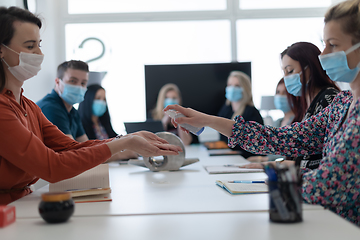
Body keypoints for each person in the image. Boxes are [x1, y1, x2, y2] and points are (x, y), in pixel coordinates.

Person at [165, 0, 360, 225]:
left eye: (333, 45)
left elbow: (331, 185)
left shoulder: (336, 102)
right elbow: (285, 139)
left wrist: (274, 175)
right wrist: (207, 119)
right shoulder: (342, 104)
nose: (323, 53)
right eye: (323, 44)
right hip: (329, 221)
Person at [0, 6, 181, 205]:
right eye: (30, 46)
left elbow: (70, 148)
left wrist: (128, 138)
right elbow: (52, 166)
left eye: (39, 45)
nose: (39, 53)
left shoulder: (28, 106)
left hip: (22, 203)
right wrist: (123, 144)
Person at [247, 42, 340, 168]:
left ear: (310, 68)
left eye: (290, 71)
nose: (286, 78)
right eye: (284, 72)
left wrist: (277, 165)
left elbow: (326, 159)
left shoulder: (329, 99)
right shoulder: (306, 104)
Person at [36, 60, 90, 142]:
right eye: (73, 81)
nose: (79, 87)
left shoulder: (72, 112)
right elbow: (71, 148)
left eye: (83, 83)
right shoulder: (50, 108)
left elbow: (86, 144)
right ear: (57, 82)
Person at [217, 71, 263, 158]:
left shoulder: (252, 112)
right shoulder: (226, 109)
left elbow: (256, 145)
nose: (232, 88)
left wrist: (236, 152)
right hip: (227, 157)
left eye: (237, 86)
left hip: (245, 159)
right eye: (230, 85)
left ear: (245, 88)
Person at [247, 78, 294, 163]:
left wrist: (263, 159)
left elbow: (288, 152)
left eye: (285, 93)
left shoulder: (298, 122)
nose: (280, 96)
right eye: (278, 92)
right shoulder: (278, 122)